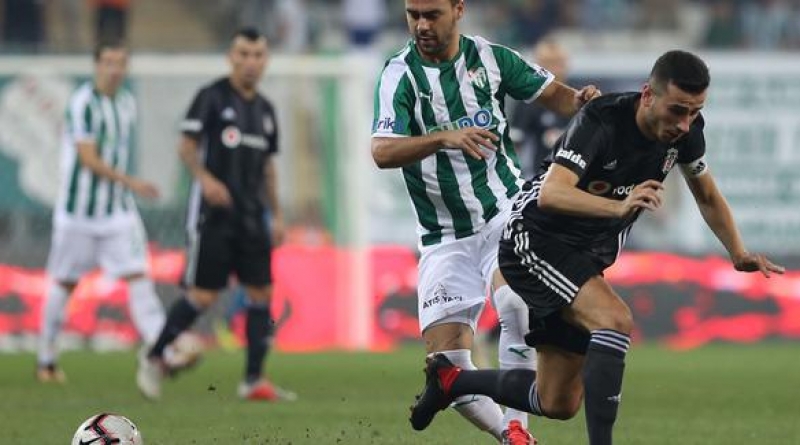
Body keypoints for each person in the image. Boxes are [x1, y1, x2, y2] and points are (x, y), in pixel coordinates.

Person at [408, 50, 786, 445]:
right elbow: (552, 194)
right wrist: (618, 207)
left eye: (694, 112)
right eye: (677, 110)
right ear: (648, 95)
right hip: (535, 240)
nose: (684, 124)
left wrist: (737, 252)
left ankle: (451, 381)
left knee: (557, 401)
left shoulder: (687, 132)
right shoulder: (602, 120)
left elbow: (706, 194)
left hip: (584, 256)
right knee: (614, 319)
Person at [371, 1, 599, 443]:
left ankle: (517, 427)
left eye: (432, 14)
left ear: (458, 10)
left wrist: (580, 101)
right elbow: (382, 150)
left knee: (514, 304)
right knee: (448, 370)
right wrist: (444, 138)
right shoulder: (399, 74)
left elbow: (556, 95)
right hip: (442, 237)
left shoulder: (492, 58)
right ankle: (512, 438)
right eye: (413, 14)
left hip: (505, 212)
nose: (421, 24)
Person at [136, 28, 295, 402]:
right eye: (244, 54)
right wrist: (205, 179)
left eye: (258, 55)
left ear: (265, 60)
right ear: (231, 58)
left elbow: (268, 167)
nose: (251, 62)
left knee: (261, 293)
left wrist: (276, 214)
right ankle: (154, 356)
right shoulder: (211, 97)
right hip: (214, 216)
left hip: (252, 216)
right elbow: (186, 146)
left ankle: (253, 380)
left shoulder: (266, 110)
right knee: (204, 296)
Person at [38, 41, 166, 382]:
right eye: (108, 62)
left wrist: (125, 187)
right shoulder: (82, 103)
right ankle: (46, 358)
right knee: (64, 283)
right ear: (96, 65)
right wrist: (132, 182)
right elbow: (88, 159)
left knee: (138, 275)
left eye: (120, 63)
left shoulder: (126, 103)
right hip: (78, 212)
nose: (114, 69)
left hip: (117, 212)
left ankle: (161, 349)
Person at [509, 38, 572, 179]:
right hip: (537, 179)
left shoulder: (580, 99)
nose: (554, 69)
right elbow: (515, 145)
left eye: (558, 63)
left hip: (575, 179)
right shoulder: (526, 101)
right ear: (538, 65)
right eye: (548, 63)